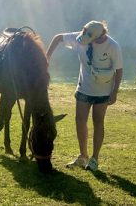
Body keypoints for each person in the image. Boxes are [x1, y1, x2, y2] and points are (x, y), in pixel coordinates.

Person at [46, 20, 123, 171]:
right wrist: (47, 57)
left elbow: (119, 70)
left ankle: (94, 159)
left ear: (99, 37)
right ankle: (83, 156)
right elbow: (58, 38)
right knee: (80, 120)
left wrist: (114, 92)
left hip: (103, 91)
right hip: (83, 89)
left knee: (98, 121)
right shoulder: (81, 38)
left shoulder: (113, 46)